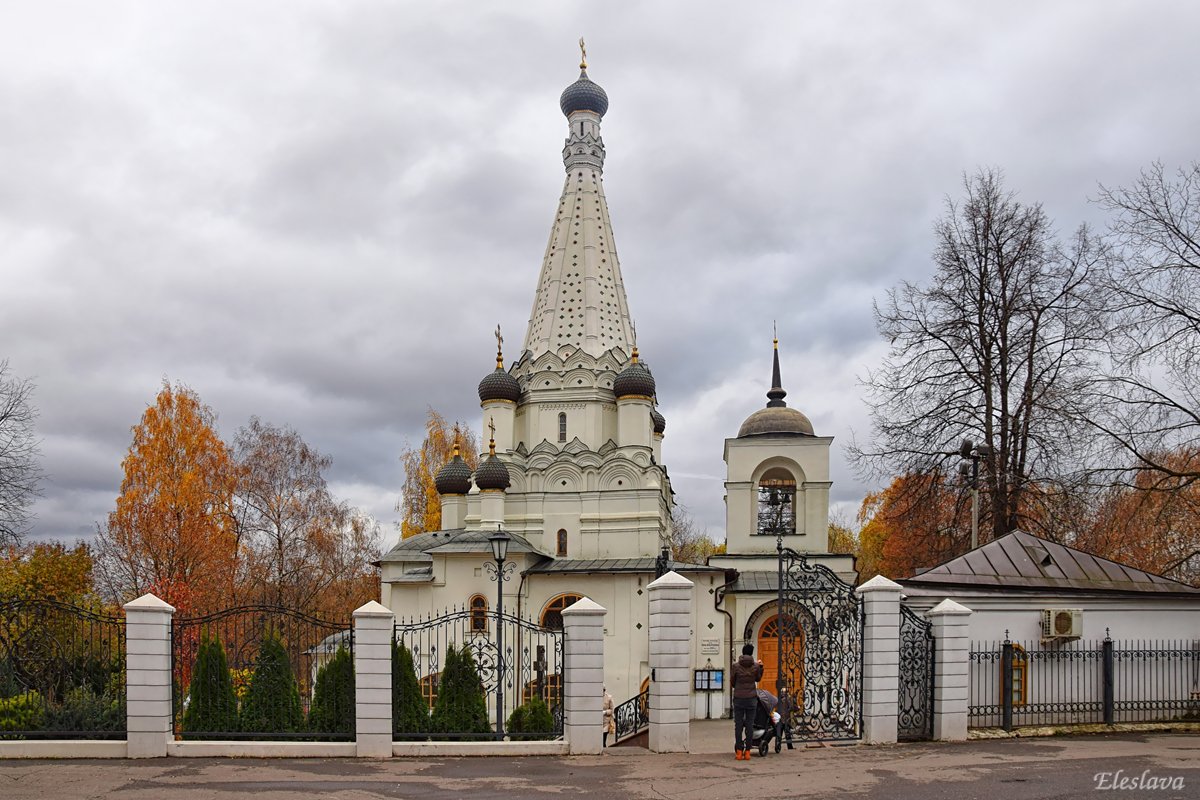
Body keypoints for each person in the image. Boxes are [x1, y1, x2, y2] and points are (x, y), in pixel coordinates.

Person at [730, 643, 763, 760]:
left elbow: (732, 682)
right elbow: (758, 679)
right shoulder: (755, 666)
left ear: (743, 652)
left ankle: (739, 752)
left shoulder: (735, 666)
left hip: (739, 698)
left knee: (738, 725)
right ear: (752, 653)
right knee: (749, 725)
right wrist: (761, 667)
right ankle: (748, 752)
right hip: (751, 699)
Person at [774, 685, 795, 752]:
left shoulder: (788, 699)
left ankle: (790, 747)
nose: (783, 693)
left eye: (784, 692)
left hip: (786, 719)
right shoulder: (778, 699)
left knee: (787, 734)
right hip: (780, 719)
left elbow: (791, 707)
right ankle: (778, 747)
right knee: (778, 734)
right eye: (782, 692)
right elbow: (776, 708)